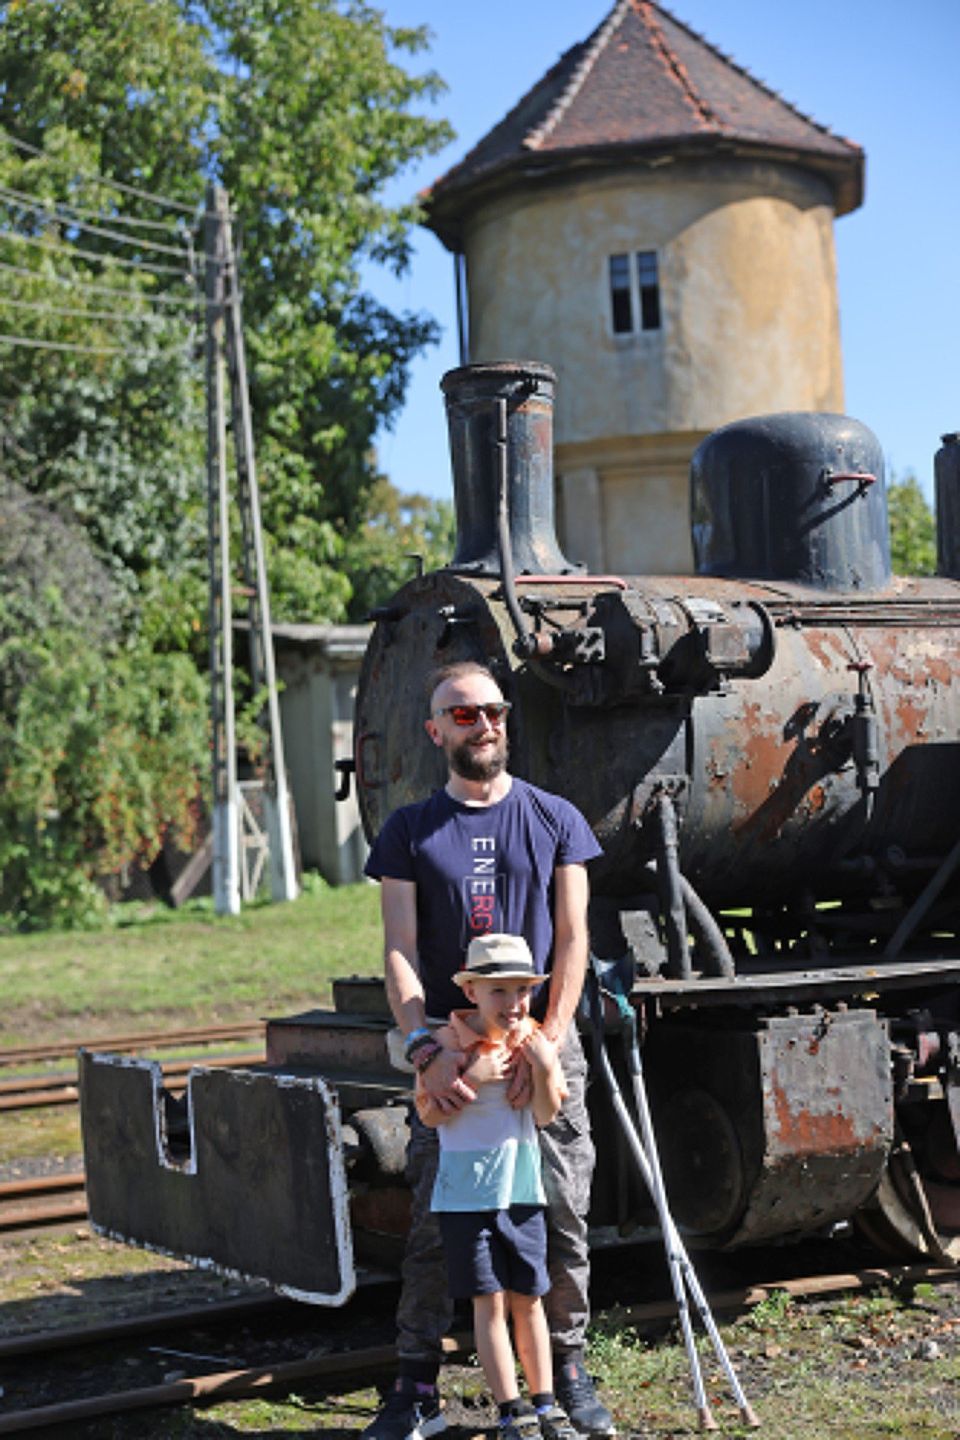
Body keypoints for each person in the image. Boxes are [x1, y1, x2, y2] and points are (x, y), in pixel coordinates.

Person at [362, 659, 614, 1440]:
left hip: (540, 1050)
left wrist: (550, 1041)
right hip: (453, 1056)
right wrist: (423, 1049)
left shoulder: (555, 818)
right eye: (463, 715)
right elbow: (400, 949)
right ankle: (415, 1386)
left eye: (494, 711)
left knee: (561, 1217)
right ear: (436, 730)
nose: (484, 725)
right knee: (440, 1225)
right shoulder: (408, 829)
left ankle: (564, 1375)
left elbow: (572, 939)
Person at [416, 932, 580, 1440]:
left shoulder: (531, 1040)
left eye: (522, 992)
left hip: (521, 1191)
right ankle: (511, 1411)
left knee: (529, 1298)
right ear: (472, 993)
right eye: (499, 992)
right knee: (487, 1303)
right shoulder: (445, 1048)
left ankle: (546, 1403)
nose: (513, 1004)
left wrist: (548, 1065)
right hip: (465, 1198)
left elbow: (546, 1115)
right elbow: (428, 1115)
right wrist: (475, 1074)